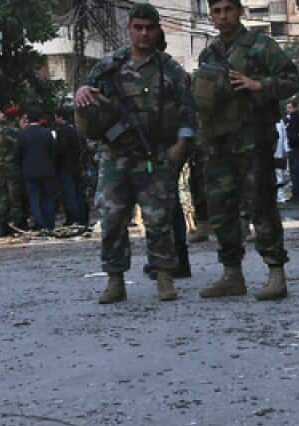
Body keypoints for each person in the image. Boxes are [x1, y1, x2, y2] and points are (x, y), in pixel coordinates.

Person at [75, 2, 196, 304]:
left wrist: (179, 148)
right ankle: (115, 281)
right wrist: (81, 93)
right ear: (129, 29)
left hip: (154, 156)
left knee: (159, 219)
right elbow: (85, 96)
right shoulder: (109, 64)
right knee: (113, 218)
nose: (144, 34)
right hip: (115, 156)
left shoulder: (169, 69)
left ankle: (164, 278)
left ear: (157, 30)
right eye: (138, 28)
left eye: (149, 28)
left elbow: (189, 114)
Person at [193, 0, 299, 301]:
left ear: (239, 10)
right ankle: (232, 275)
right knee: (221, 209)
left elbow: (292, 80)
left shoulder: (261, 45)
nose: (223, 16)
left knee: (261, 206)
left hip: (253, 141)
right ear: (211, 15)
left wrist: (258, 84)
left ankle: (275, 272)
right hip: (218, 145)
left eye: (228, 9)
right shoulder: (209, 54)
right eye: (217, 10)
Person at [0, 105, 28, 235]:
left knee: (2, 199)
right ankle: (17, 226)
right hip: (12, 168)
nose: (2, 114)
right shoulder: (11, 131)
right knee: (15, 199)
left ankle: (3, 227)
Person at [16, 111, 57, 231]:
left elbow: (18, 154)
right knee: (47, 198)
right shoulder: (47, 133)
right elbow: (53, 151)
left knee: (34, 199)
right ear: (40, 119)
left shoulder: (22, 134)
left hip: (30, 171)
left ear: (28, 120)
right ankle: (50, 223)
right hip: (46, 171)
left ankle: (39, 224)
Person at [54, 110, 88, 226]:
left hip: (65, 168)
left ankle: (73, 218)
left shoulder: (63, 131)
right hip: (76, 166)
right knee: (78, 193)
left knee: (69, 194)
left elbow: (60, 150)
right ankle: (82, 218)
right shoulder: (75, 130)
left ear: (60, 117)